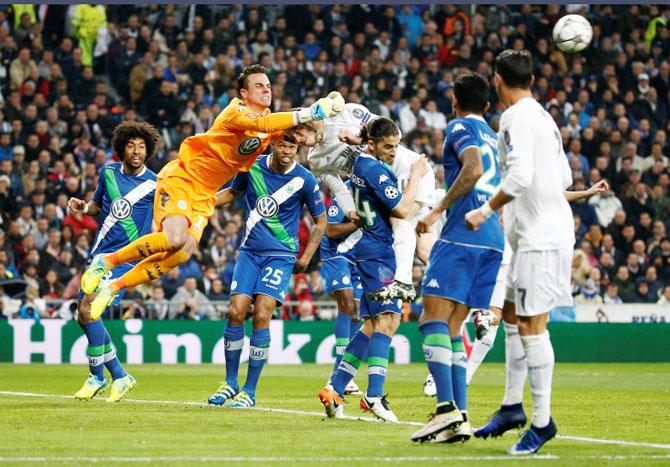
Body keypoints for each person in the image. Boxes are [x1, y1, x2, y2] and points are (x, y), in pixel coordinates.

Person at [80, 64, 344, 318]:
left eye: (268, 86)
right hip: (183, 177)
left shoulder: (268, 123)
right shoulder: (235, 111)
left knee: (180, 254)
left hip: (204, 195)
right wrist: (311, 112)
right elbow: (272, 124)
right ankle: (107, 263)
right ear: (244, 93)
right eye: (259, 86)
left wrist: (320, 124)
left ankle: (112, 287)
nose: (267, 90)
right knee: (173, 238)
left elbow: (295, 133)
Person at [464, 50, 573, 455]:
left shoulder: (514, 118)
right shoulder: (543, 116)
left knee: (532, 327)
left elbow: (523, 175)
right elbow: (563, 176)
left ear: (498, 80)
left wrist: (484, 210)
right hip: (536, 233)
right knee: (510, 316)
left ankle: (542, 422)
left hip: (539, 239)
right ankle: (512, 406)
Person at [410, 72, 504, 444]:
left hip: (462, 233)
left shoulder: (459, 126)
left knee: (431, 316)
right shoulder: (496, 138)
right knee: (453, 327)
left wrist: (436, 212)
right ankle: (459, 416)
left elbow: (473, 167)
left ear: (454, 101)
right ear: (487, 104)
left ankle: (446, 409)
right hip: (492, 238)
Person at [319, 117, 430, 422]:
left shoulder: (361, 163)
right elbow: (403, 209)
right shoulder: (374, 169)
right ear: (372, 144)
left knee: (371, 324)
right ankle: (374, 396)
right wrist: (417, 176)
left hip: (371, 250)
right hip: (378, 253)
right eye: (387, 146)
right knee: (389, 320)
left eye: (396, 146)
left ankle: (335, 387)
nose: (393, 152)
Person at [207, 133, 326, 408]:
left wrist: (307, 256)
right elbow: (232, 193)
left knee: (261, 313)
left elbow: (320, 221)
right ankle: (230, 383)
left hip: (281, 254)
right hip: (249, 252)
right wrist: (201, 202)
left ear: (298, 148)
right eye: (283, 145)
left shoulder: (305, 179)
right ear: (273, 144)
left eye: (292, 146)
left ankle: (249, 391)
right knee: (236, 311)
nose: (287, 151)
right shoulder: (252, 166)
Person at [466, 180, 610, 386]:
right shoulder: (504, 182)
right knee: (515, 322)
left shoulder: (517, 182)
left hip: (514, 254)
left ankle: (465, 372)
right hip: (505, 255)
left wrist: (585, 193)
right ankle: (464, 373)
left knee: (508, 319)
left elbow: (555, 195)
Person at [292, 103, 436, 302]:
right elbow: (339, 187)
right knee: (424, 251)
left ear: (308, 119)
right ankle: (452, 284)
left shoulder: (346, 113)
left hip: (408, 171)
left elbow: (393, 132)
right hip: (382, 185)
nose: (299, 141)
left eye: (297, 133)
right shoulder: (316, 158)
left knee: (398, 219)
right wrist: (350, 210)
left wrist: (359, 139)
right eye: (294, 139)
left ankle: (403, 282)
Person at [67, 121, 160, 402]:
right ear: (122, 148)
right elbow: (97, 206)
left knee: (89, 310)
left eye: (141, 146)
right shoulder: (108, 172)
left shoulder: (155, 183)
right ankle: (120, 376)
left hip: (126, 259)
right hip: (99, 254)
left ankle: (97, 377)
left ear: (148, 151)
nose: (136, 151)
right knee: (83, 316)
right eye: (131, 145)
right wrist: (83, 207)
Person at [320, 180, 364, 400]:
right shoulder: (344, 193)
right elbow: (330, 230)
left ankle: (344, 375)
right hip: (336, 252)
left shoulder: (377, 192)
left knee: (358, 313)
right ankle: (337, 374)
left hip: (359, 256)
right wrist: (360, 223)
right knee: (347, 306)